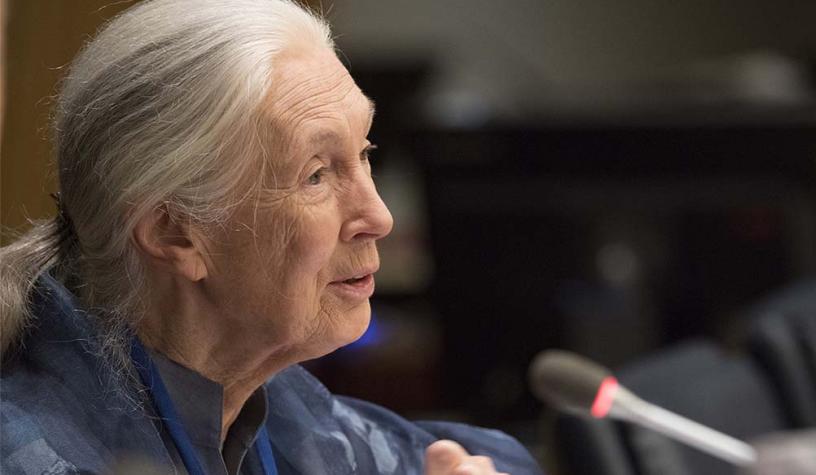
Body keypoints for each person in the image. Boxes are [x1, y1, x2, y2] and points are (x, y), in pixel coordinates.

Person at [0, 1, 543, 474]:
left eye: (364, 154)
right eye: (316, 174)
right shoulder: (40, 452)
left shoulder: (250, 387)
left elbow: (485, 457)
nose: (378, 216)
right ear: (175, 232)